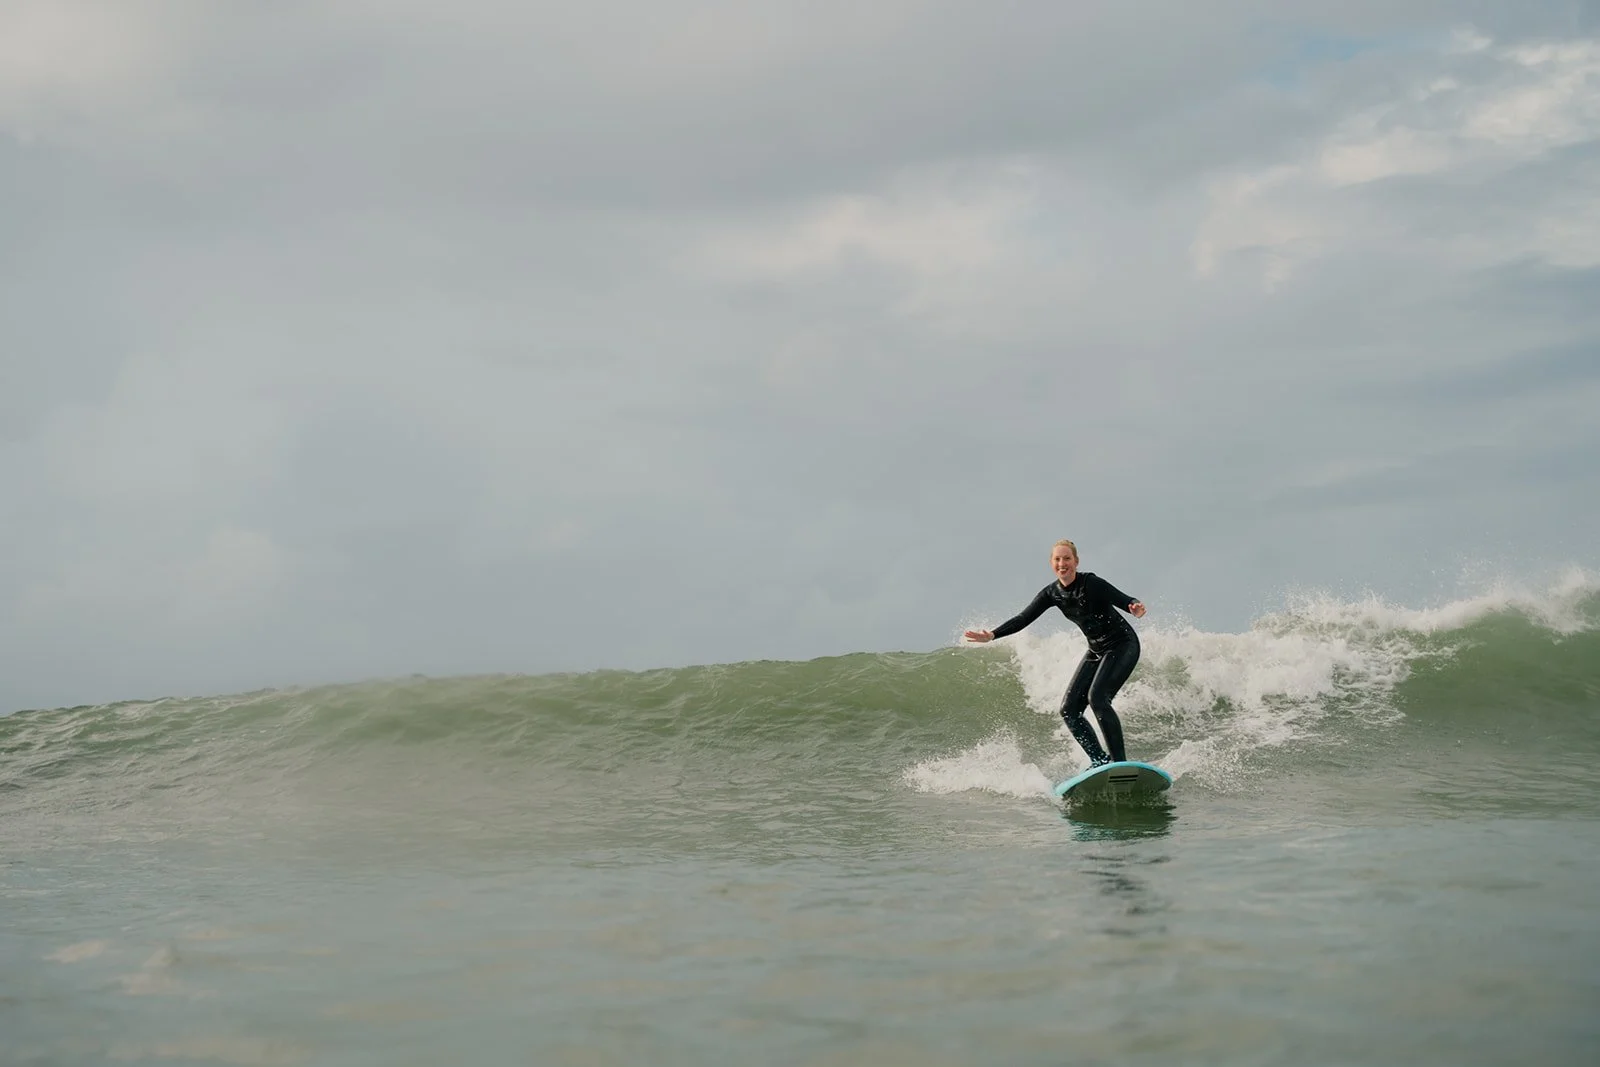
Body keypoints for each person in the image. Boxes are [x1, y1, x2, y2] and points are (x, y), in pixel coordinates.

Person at [964, 539, 1147, 767]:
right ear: (1052, 564)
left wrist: (1134, 605)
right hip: (1096, 650)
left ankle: (1120, 764)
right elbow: (1023, 618)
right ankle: (1100, 761)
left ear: (1076, 561)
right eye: (1058, 559)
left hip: (1122, 644)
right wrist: (992, 634)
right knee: (1069, 710)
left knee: (1098, 698)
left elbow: (1123, 599)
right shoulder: (1052, 593)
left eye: (1067, 558)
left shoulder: (1091, 583)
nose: (1063, 563)